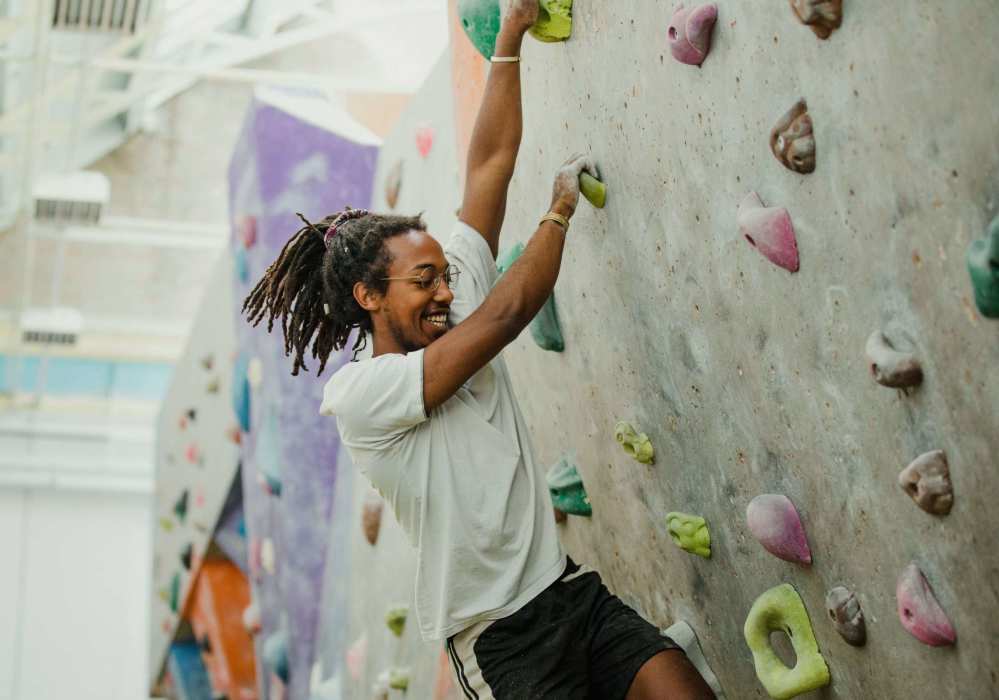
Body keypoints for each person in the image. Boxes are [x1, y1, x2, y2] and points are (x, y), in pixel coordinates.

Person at [243, 2, 716, 697]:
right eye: (422, 280)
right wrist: (556, 211)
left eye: (444, 273)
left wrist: (512, 35)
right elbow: (506, 315)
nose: (443, 291)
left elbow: (489, 165)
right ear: (369, 298)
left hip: (569, 595)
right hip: (502, 644)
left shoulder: (451, 305)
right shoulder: (361, 397)